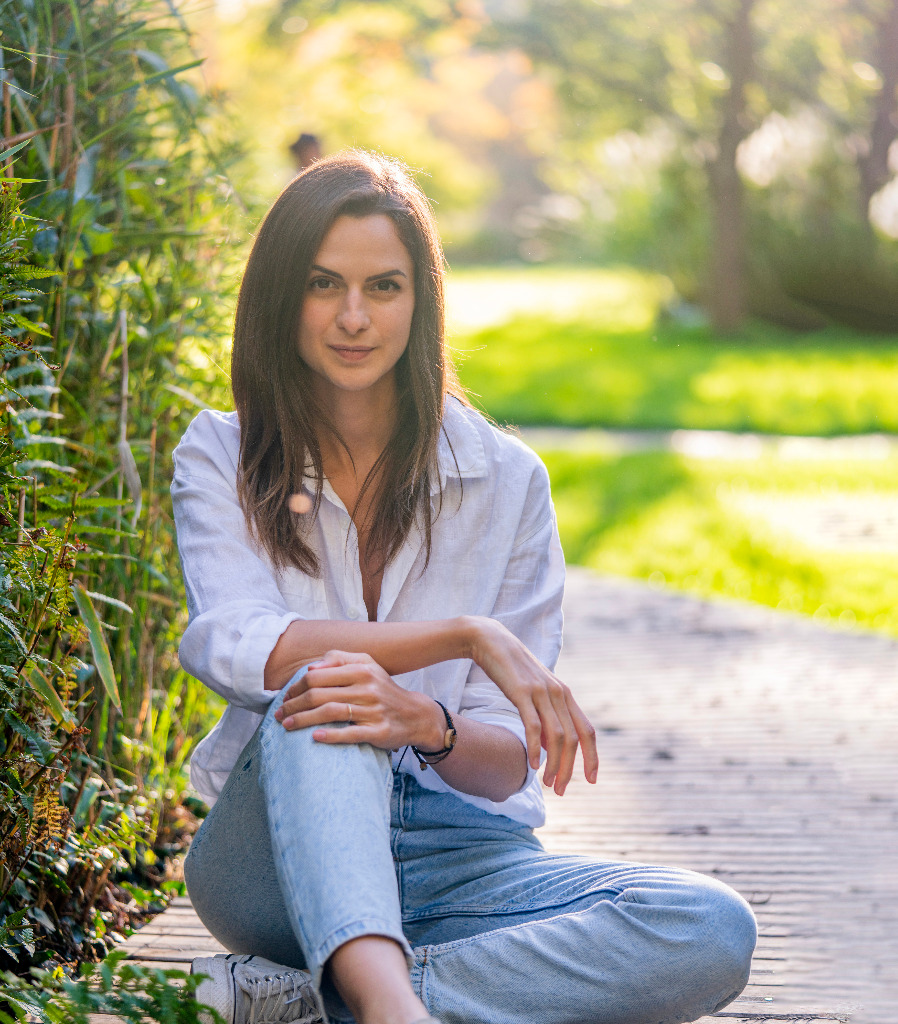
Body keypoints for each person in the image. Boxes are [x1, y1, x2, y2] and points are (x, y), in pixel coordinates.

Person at [171, 151, 756, 1024]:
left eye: (386, 286)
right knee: (330, 688)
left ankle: (324, 1002)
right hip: (274, 864)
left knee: (709, 929)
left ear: (423, 300)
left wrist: (429, 725)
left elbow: (510, 758)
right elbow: (234, 646)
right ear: (280, 298)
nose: (355, 317)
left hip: (462, 860)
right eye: (324, 284)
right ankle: (392, 1011)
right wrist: (464, 635)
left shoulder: (506, 479)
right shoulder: (222, 451)